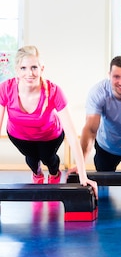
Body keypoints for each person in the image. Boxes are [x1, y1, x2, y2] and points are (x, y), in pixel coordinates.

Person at [0, 45, 97, 196]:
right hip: (19, 136)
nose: (29, 73)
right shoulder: (6, 88)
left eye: (34, 67)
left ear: (41, 68)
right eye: (23, 68)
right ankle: (37, 175)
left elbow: (72, 134)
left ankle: (54, 174)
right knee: (32, 159)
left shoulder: (54, 91)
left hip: (50, 135)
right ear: (17, 70)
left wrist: (83, 175)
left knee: (48, 158)